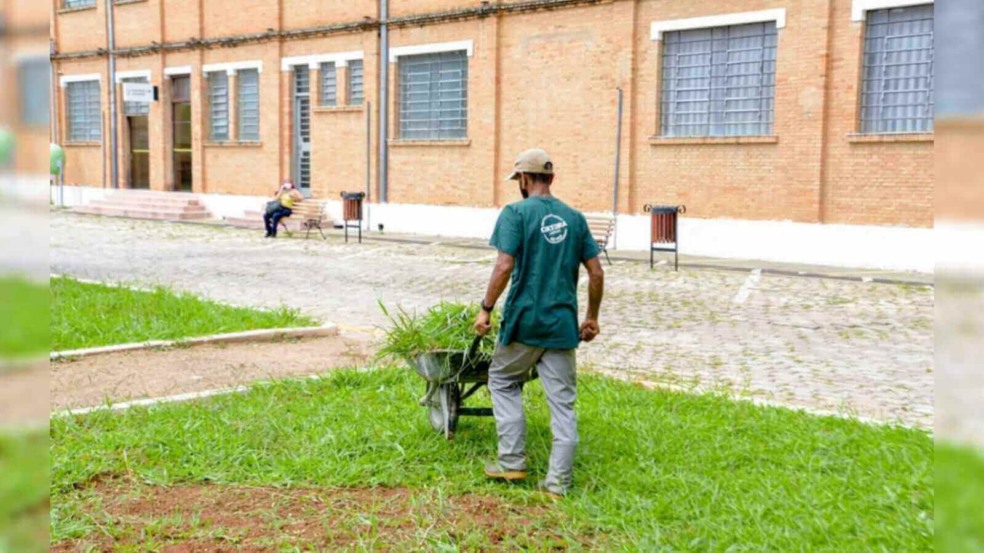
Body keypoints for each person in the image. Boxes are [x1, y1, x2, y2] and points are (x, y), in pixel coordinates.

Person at [474, 148, 605, 499]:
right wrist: (591, 317)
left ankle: (511, 461)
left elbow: (504, 266)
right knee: (562, 402)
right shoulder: (575, 218)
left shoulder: (515, 213)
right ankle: (558, 484)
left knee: (502, 380)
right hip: (562, 325)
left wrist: (486, 308)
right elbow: (596, 272)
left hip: (525, 320)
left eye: (519, 179)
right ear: (551, 178)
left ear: (525, 179)